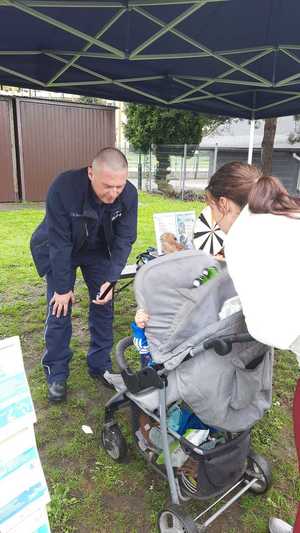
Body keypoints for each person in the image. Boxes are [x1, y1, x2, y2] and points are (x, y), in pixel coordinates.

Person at [205, 161, 300, 533]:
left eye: (213, 210)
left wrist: (229, 315)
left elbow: (265, 327)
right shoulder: (285, 215)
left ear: (224, 203)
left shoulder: (243, 237)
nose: (215, 220)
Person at [30, 147, 138, 402]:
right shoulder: (64, 188)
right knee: (59, 306)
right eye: (107, 186)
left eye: (119, 187)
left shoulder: (129, 194)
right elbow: (58, 242)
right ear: (91, 173)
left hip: (98, 250)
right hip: (62, 246)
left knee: (104, 302)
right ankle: (56, 370)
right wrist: (63, 288)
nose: (113, 194)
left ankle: (99, 365)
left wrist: (111, 279)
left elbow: (124, 240)